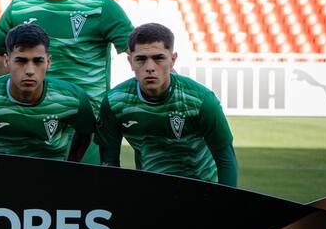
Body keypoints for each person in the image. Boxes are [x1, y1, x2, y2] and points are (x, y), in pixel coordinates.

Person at [0, 0, 133, 165]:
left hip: (84, 128)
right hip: (30, 124)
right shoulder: (20, 5)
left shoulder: (101, 7)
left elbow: (142, 55)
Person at [98, 23, 238, 186]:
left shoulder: (200, 101)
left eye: (158, 58)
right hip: (151, 191)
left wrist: (228, 206)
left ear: (172, 60)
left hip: (203, 188)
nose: (150, 67)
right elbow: (109, 162)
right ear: (130, 61)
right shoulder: (115, 103)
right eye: (141, 59)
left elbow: (225, 157)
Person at [0, 24, 94, 162]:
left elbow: (85, 132)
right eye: (21, 61)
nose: (30, 70)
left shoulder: (73, 99)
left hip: (51, 182)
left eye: (38, 61)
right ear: (7, 61)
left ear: (48, 62)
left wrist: (71, 164)